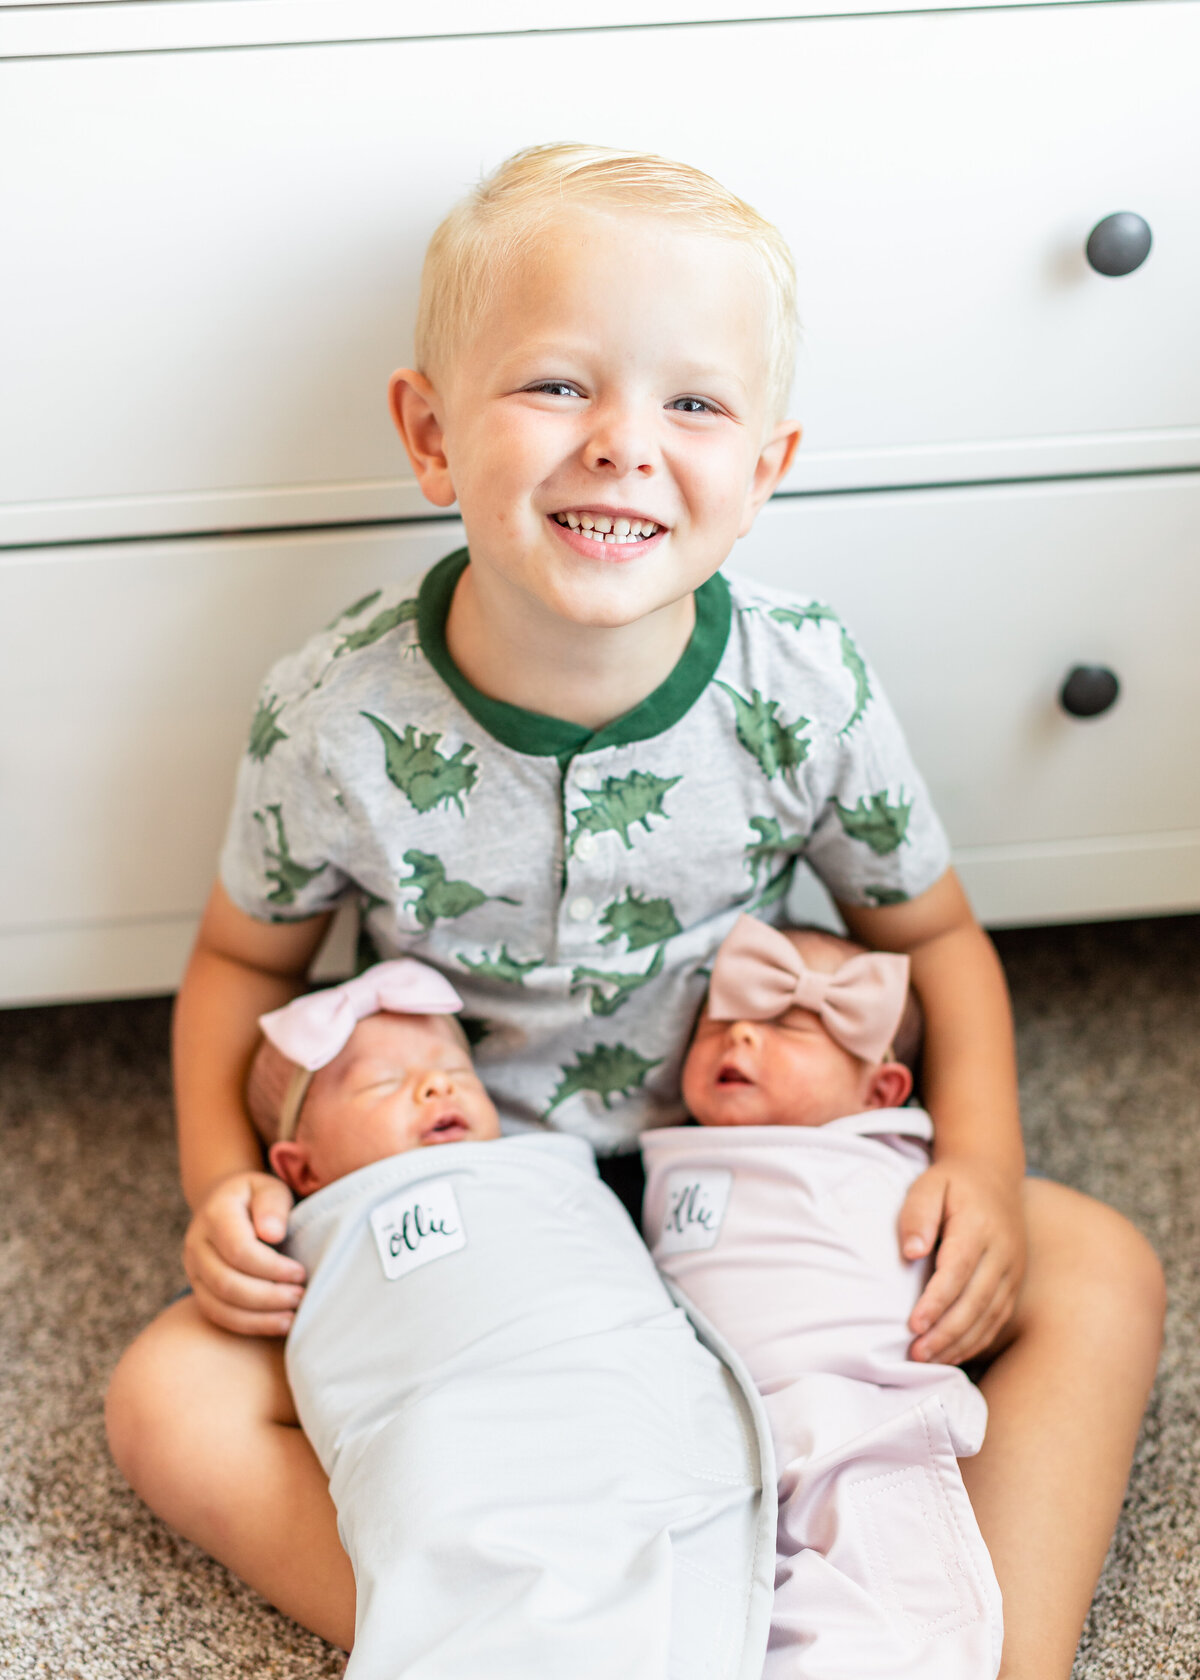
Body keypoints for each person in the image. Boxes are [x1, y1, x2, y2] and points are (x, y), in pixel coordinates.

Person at [105, 143, 1164, 1677]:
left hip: (755, 1151)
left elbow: (933, 942)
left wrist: (983, 1171)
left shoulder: (802, 684)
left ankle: (982, 1655)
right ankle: (559, 1644)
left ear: (767, 469)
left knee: (1094, 1265)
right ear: (428, 433)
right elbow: (231, 965)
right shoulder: (334, 715)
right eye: (555, 386)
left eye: (694, 404)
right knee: (167, 1395)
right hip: (468, 1190)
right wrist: (226, 1186)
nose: (623, 446)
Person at [244, 957, 774, 1680]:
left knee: (652, 1476)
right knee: (444, 1517)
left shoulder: (542, 1170)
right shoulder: (324, 1230)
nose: (437, 1085)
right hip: (443, 1424)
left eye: (456, 1072)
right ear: (300, 1170)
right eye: (383, 1083)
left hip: (599, 1387)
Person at [644, 913, 1006, 1678]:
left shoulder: (882, 1152)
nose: (739, 1040)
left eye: (787, 1029)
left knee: (898, 1611)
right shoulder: (673, 1158)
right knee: (700, 1613)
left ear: (881, 1089)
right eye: (721, 1022)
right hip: (716, 1433)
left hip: (853, 1420)